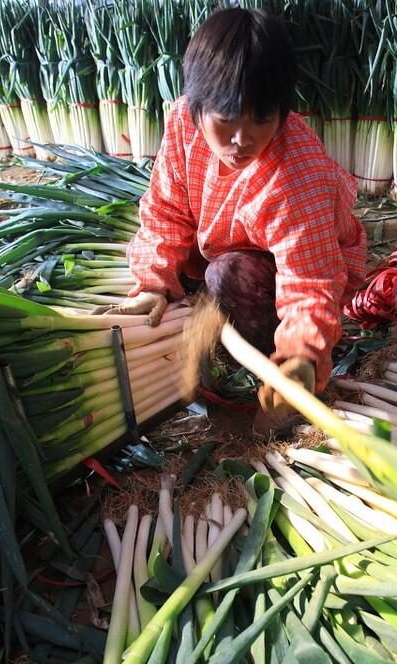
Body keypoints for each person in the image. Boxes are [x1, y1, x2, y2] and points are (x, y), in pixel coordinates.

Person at [93, 7, 367, 431]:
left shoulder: (297, 171)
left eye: (261, 120)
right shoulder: (183, 125)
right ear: (198, 108)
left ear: (281, 111)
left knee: (227, 275)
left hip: (304, 268)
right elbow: (166, 209)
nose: (243, 140)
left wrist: (301, 357)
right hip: (227, 249)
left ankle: (274, 367)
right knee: (196, 275)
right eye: (226, 121)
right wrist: (151, 282)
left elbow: (310, 280)